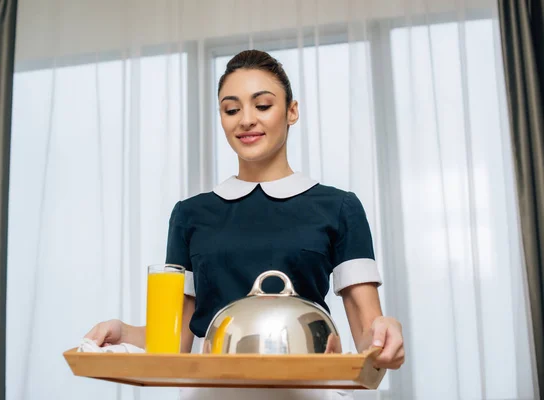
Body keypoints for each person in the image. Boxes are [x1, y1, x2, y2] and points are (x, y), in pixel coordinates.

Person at [85, 50, 405, 399]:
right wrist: (124, 332)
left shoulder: (338, 207)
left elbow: (367, 331)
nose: (246, 120)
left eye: (263, 105)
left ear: (292, 111)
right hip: (212, 394)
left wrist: (384, 333)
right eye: (231, 109)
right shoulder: (190, 214)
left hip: (309, 392)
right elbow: (174, 339)